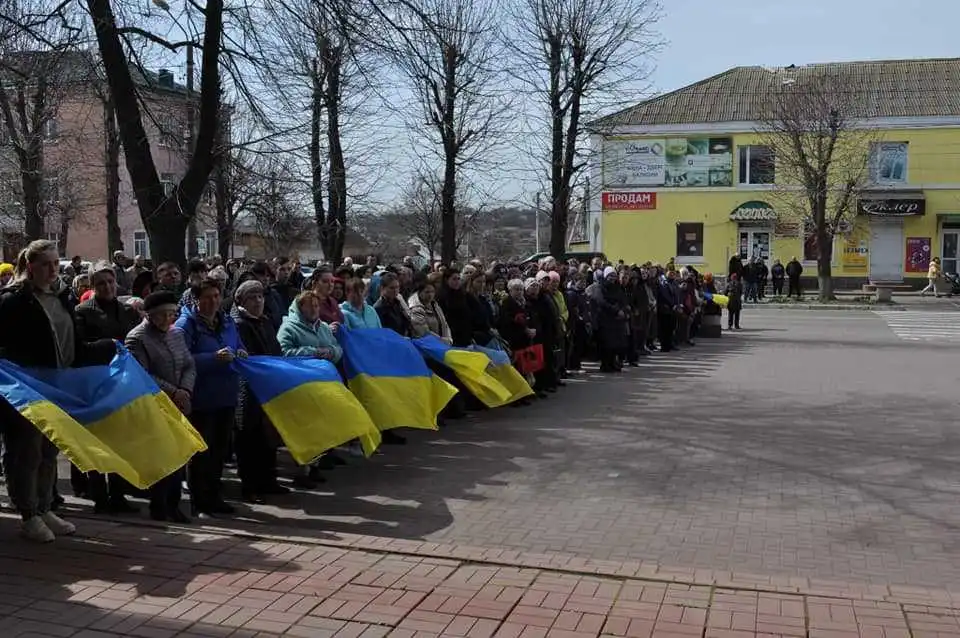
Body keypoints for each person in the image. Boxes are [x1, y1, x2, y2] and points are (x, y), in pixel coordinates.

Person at [0, 240, 115, 542]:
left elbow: (73, 344)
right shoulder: (12, 301)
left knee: (50, 451)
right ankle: (28, 514)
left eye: (55, 264)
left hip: (58, 387)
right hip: (24, 391)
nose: (53, 270)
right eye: (46, 265)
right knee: (27, 452)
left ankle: (45, 506)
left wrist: (108, 349)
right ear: (29, 267)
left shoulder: (63, 297)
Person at [175, 278, 246, 518]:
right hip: (201, 397)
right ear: (196, 299)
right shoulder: (186, 325)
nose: (213, 301)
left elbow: (238, 344)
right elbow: (181, 361)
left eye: (217, 295)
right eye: (208, 297)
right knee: (201, 452)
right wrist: (212, 358)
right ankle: (200, 501)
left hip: (226, 395)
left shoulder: (226, 321)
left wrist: (242, 351)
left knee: (219, 451)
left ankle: (215, 496)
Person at [74, 262, 142, 515]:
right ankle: (99, 495)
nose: (107, 287)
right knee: (97, 440)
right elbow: (80, 348)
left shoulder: (127, 311)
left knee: (121, 441)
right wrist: (111, 345)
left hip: (122, 383)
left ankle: (118, 494)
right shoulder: (82, 311)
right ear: (92, 287)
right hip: (95, 382)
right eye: (101, 283)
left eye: (111, 282)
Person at [125, 291, 195, 523]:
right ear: (150, 315)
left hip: (180, 403)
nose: (168, 319)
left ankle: (174, 504)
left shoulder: (176, 333)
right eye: (162, 315)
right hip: (155, 403)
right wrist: (173, 391)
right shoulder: (137, 337)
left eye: (171, 314)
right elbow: (142, 374)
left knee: (180, 453)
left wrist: (185, 389)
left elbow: (188, 364)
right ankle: (159, 504)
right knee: (161, 456)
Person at [231, 280, 288, 503]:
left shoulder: (265, 322)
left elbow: (275, 349)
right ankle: (250, 485)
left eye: (260, 297)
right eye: (252, 297)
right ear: (241, 301)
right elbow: (249, 356)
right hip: (248, 390)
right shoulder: (239, 325)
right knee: (249, 439)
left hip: (268, 387)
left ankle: (268, 480)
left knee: (268, 436)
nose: (258, 301)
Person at [374, 272, 414, 337]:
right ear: (382, 288)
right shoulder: (379, 307)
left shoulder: (397, 302)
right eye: (391, 288)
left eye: (397, 287)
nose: (395, 291)